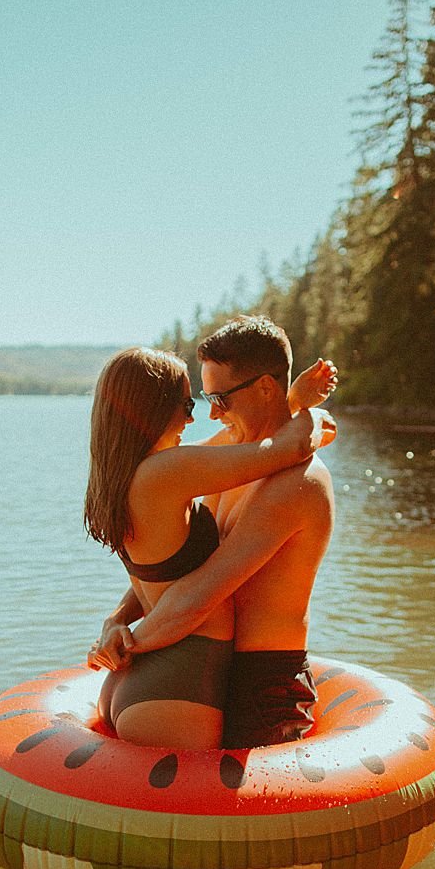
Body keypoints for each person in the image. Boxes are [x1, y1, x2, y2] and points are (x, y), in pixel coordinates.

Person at [89, 316, 337, 750]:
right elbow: (187, 580)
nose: (209, 413)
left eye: (218, 397)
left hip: (261, 684)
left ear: (263, 388)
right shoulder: (224, 470)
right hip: (193, 670)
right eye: (200, 399)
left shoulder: (294, 482)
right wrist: (122, 628)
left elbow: (198, 587)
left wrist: (127, 636)